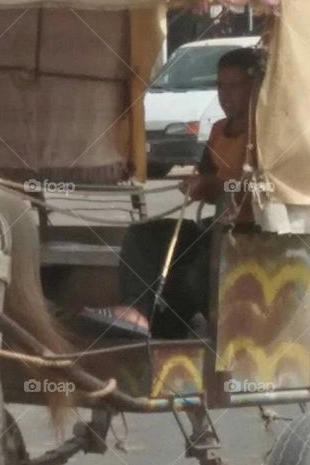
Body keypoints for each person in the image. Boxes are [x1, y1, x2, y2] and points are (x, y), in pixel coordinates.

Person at [82, 46, 258, 340]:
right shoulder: (218, 130)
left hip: (250, 239)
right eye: (220, 86)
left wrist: (218, 186)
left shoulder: (266, 133)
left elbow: (262, 186)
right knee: (143, 238)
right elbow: (208, 179)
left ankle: (181, 327)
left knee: (191, 278)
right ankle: (136, 313)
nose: (225, 95)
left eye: (234, 86)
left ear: (255, 87)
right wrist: (199, 185)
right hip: (216, 232)